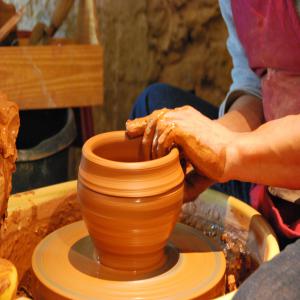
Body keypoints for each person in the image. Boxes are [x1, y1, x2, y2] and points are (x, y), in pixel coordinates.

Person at [126, 1, 300, 299]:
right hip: (273, 175)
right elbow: (256, 83)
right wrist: (216, 137)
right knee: (155, 114)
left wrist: (230, 153)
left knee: (260, 295)